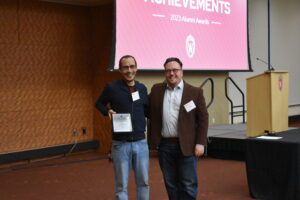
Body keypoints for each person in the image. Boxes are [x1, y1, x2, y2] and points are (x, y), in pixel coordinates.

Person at [148, 57, 208, 200]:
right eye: (168, 70)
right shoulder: (156, 90)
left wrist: (201, 142)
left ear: (182, 72)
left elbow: (203, 119)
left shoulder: (195, 92)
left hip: (187, 145)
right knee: (170, 183)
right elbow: (144, 109)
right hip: (165, 146)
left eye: (175, 70)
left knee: (188, 183)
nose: (171, 73)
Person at [95, 55, 149, 200]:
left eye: (132, 66)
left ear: (136, 68)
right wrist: (107, 112)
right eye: (125, 67)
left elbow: (148, 111)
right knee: (121, 186)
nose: (129, 70)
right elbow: (99, 104)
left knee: (143, 183)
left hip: (141, 143)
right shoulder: (111, 87)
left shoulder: (142, 88)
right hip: (120, 144)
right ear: (120, 70)